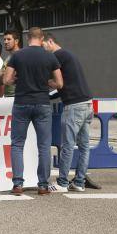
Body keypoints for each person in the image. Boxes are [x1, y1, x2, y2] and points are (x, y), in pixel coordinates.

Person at [3, 27, 62, 196]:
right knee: (43, 146)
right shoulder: (49, 56)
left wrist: (19, 80)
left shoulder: (18, 55)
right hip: (42, 104)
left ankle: (18, 184)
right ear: (41, 38)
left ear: (28, 38)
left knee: (17, 144)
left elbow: (7, 80)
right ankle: (43, 185)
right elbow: (60, 83)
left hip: (21, 103)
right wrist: (46, 82)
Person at [43, 33, 95, 193]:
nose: (43, 50)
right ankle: (79, 182)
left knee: (67, 145)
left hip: (74, 106)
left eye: (44, 45)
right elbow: (64, 85)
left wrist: (44, 83)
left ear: (50, 41)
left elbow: (58, 84)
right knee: (84, 146)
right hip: (87, 103)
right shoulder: (69, 55)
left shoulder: (57, 56)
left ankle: (62, 183)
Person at [3, 29, 22, 97]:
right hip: (7, 96)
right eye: (4, 39)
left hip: (18, 96)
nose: (5, 42)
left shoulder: (21, 55)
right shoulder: (7, 58)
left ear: (16, 41)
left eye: (8, 39)